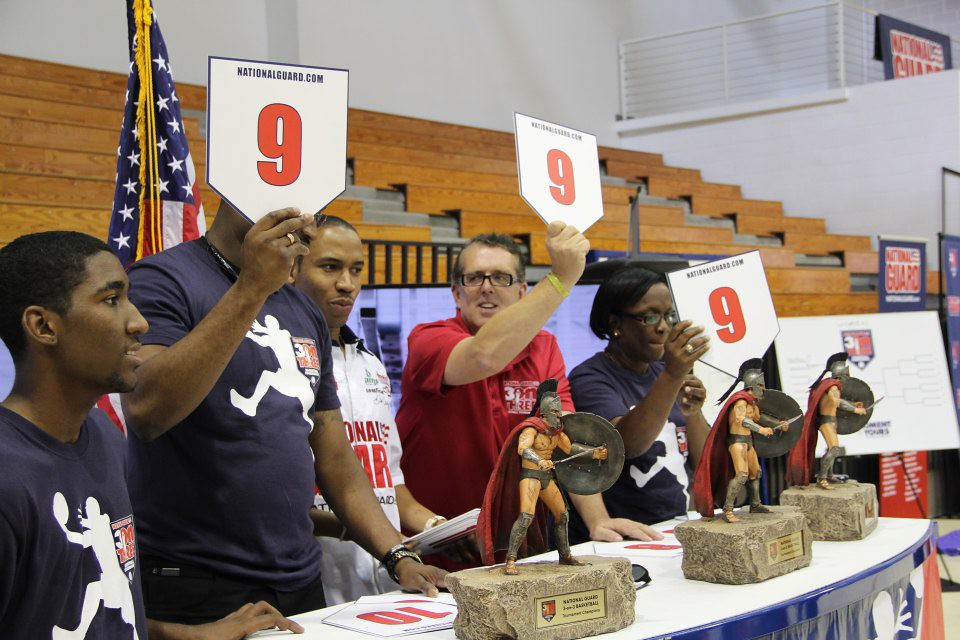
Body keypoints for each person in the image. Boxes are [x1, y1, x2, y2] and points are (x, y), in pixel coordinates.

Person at [121, 203, 443, 624]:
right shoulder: (164, 277)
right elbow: (146, 411)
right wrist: (252, 286)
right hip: (196, 580)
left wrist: (396, 554)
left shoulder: (301, 308)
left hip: (299, 577)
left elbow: (335, 457)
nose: (307, 221)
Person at [0, 231, 302, 639]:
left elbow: (107, 614)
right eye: (112, 300)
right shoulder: (7, 477)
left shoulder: (103, 435)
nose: (139, 322)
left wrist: (188, 634)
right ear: (43, 326)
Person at [397, 225, 659, 570]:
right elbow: (483, 355)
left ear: (522, 291)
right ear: (456, 293)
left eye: (501, 278)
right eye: (474, 278)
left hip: (520, 552)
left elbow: (564, 436)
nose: (486, 287)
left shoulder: (544, 347)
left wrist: (598, 520)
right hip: (439, 552)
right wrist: (560, 279)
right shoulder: (427, 339)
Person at [294, 216, 449, 603]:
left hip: (388, 576)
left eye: (356, 269)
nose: (347, 283)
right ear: (292, 269)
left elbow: (389, 482)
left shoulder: (371, 365)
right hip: (314, 580)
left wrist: (435, 526)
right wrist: (355, 531)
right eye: (330, 267)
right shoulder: (276, 360)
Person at [567, 265, 710, 541]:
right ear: (616, 324)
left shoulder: (664, 372)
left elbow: (705, 462)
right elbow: (627, 446)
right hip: (624, 535)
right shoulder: (589, 378)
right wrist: (673, 375)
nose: (664, 327)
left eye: (669, 315)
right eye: (650, 317)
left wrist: (692, 411)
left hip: (674, 527)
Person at [692, 358, 786, 522]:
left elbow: (759, 418)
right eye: (760, 385)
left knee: (755, 473)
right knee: (742, 474)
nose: (763, 389)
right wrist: (761, 430)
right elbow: (741, 420)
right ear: (752, 385)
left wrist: (777, 423)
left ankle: (755, 504)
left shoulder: (753, 403)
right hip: (737, 442)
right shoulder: (741, 401)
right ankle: (728, 509)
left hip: (748, 442)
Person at [786, 352, 866, 489]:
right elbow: (836, 402)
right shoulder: (833, 386)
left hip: (830, 420)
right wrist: (855, 410)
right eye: (846, 374)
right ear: (841, 374)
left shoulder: (829, 385)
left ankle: (829, 475)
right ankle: (822, 478)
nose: (848, 377)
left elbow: (833, 401)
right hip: (826, 421)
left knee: (832, 448)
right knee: (834, 449)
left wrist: (853, 404)